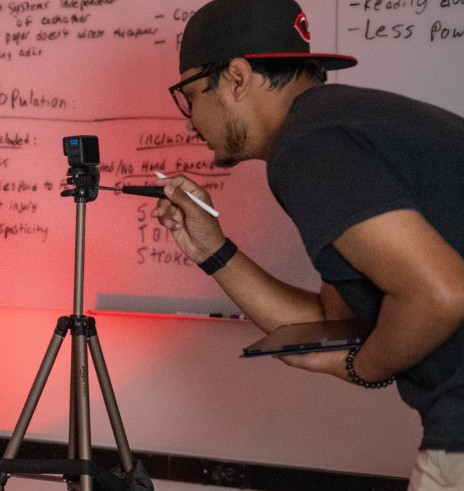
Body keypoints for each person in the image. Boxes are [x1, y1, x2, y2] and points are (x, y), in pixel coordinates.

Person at [155, 0, 464, 487]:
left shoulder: (309, 145)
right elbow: (334, 323)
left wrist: (361, 367)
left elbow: (441, 293)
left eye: (188, 95)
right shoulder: (343, 125)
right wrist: (211, 250)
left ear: (236, 78)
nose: (189, 121)